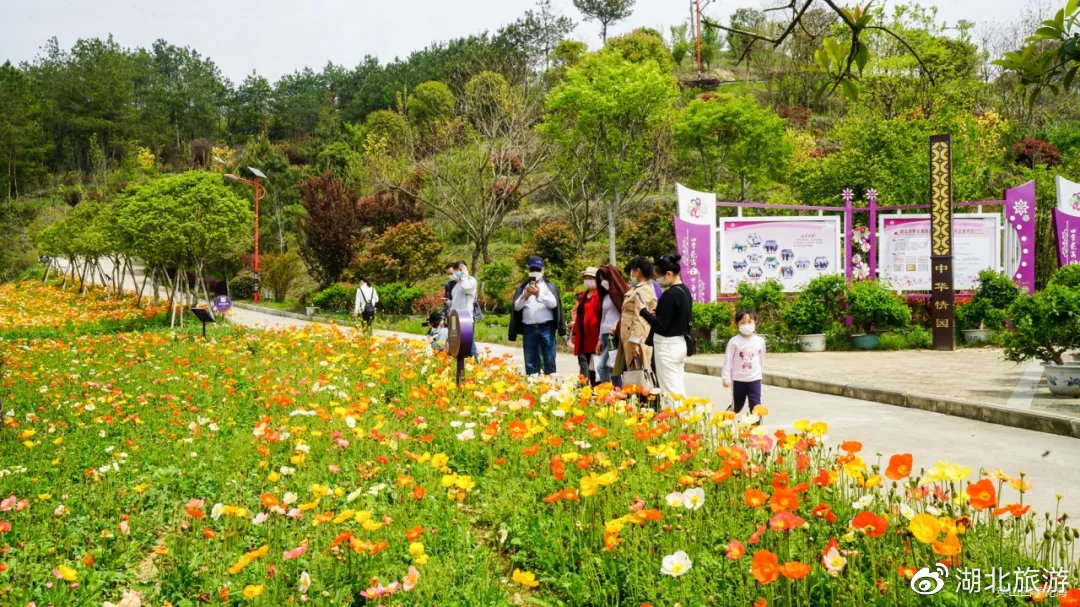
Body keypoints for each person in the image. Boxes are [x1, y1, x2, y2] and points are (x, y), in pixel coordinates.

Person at [638, 255, 693, 407]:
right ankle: (684, 419)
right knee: (677, 386)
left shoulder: (670, 295)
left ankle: (675, 422)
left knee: (669, 389)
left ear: (669, 274)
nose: (658, 281)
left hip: (667, 346)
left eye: (659, 276)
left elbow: (661, 324)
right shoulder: (685, 291)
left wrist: (643, 311)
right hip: (679, 343)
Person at [508, 256, 564, 375]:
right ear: (528, 270)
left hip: (546, 328)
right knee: (530, 361)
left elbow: (554, 304)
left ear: (543, 270)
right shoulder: (523, 287)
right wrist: (525, 296)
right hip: (529, 328)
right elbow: (516, 307)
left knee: (549, 358)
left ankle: (550, 387)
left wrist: (539, 294)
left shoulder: (549, 286)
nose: (535, 272)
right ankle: (533, 387)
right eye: (532, 269)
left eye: (538, 270)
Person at [613, 257, 657, 387]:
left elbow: (640, 317)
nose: (631, 275)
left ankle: (641, 402)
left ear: (637, 271)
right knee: (631, 372)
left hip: (636, 338)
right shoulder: (637, 289)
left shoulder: (643, 290)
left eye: (632, 271)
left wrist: (635, 342)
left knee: (638, 374)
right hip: (629, 337)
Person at [722, 310, 766, 418]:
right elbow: (728, 360)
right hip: (738, 380)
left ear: (755, 322)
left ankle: (755, 431)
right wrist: (726, 377)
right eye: (743, 322)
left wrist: (760, 374)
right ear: (737, 324)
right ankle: (723, 423)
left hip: (755, 379)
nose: (746, 325)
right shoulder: (734, 341)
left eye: (749, 322)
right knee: (736, 406)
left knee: (756, 407)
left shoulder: (759, 341)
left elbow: (761, 360)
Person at [595, 265, 629, 387]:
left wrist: (618, 324)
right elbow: (603, 318)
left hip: (614, 335)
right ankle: (616, 393)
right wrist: (599, 339)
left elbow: (626, 313)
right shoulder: (605, 296)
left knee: (602, 367)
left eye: (605, 278)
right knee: (612, 369)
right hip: (605, 335)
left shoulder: (622, 293)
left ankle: (609, 394)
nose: (603, 281)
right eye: (600, 279)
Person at [570, 267, 602, 384]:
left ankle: (595, 392)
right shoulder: (584, 296)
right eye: (586, 278)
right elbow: (579, 315)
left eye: (591, 278)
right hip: (582, 336)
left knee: (594, 367)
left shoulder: (600, 296)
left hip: (594, 337)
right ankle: (583, 390)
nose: (588, 280)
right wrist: (574, 332)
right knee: (583, 363)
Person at [448, 261, 479, 358]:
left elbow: (466, 287)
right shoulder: (457, 285)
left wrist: (464, 274)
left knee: (468, 342)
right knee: (456, 344)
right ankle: (461, 365)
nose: (457, 272)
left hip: (465, 319)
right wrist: (448, 303)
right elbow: (455, 302)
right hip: (454, 318)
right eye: (457, 270)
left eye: (459, 270)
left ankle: (476, 363)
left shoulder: (471, 280)